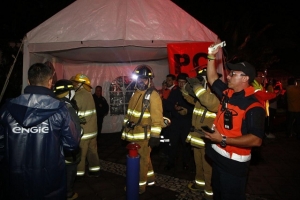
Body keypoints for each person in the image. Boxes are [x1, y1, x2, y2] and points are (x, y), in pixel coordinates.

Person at [0, 63, 80, 200]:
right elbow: (72, 144)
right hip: (49, 181)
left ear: (29, 81)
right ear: (50, 82)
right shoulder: (61, 110)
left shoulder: (7, 109)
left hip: (16, 180)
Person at [204, 46, 265, 200]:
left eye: (233, 74)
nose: (228, 76)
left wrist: (223, 139)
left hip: (233, 166)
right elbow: (212, 78)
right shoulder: (227, 93)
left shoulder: (254, 106)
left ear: (245, 78)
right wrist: (211, 55)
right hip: (217, 159)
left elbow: (256, 140)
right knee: (217, 194)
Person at [121, 64, 165, 194]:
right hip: (133, 134)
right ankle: (150, 179)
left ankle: (138, 187)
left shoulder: (153, 95)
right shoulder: (136, 93)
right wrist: (125, 129)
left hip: (144, 136)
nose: (141, 81)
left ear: (150, 80)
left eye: (144, 79)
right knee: (145, 158)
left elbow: (158, 119)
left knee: (141, 162)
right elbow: (130, 114)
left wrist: (155, 136)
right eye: (139, 78)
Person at [181, 68, 220, 200]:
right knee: (198, 163)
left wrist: (197, 87)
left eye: (203, 79)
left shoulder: (217, 94)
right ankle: (200, 184)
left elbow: (210, 103)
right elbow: (191, 99)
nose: (201, 82)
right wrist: (185, 88)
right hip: (197, 136)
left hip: (208, 138)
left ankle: (209, 192)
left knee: (208, 167)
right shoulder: (202, 95)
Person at [54, 79, 83, 200]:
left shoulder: (52, 103)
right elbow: (76, 132)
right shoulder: (68, 107)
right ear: (68, 92)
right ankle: (68, 194)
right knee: (70, 170)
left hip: (55, 150)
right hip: (69, 150)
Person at [162, 73, 194, 171]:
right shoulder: (175, 92)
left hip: (186, 122)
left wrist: (186, 110)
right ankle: (171, 162)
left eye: (183, 82)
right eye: (179, 82)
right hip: (175, 122)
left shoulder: (191, 92)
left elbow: (195, 107)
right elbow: (167, 105)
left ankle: (185, 163)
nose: (181, 84)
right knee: (173, 143)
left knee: (186, 144)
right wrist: (174, 108)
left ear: (186, 83)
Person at [71, 74, 100, 177]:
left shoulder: (78, 96)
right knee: (93, 152)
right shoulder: (89, 94)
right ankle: (95, 170)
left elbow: (74, 114)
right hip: (93, 131)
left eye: (75, 82)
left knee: (81, 155)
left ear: (80, 84)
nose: (73, 85)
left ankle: (79, 174)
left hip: (84, 132)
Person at [252, 70, 276, 139]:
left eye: (263, 76)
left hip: (261, 109)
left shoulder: (259, 85)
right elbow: (264, 96)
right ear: (255, 77)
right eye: (261, 76)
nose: (263, 78)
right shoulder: (254, 85)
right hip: (256, 110)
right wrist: (275, 94)